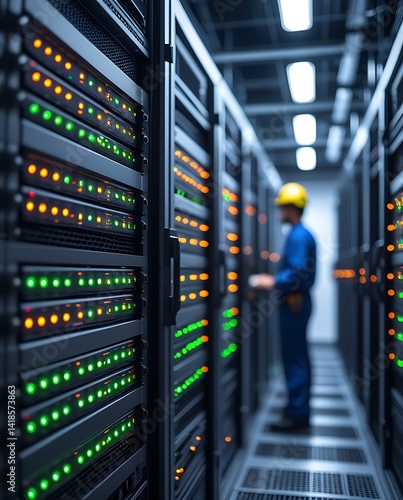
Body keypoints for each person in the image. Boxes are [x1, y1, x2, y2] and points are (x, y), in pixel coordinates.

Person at [249, 182, 316, 431]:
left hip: (294, 304)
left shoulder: (298, 235)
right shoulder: (301, 233)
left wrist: (271, 281)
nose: (279, 211)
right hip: (296, 303)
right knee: (298, 355)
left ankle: (298, 414)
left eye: (282, 207)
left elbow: (297, 273)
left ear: (292, 208)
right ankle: (297, 406)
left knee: (294, 357)